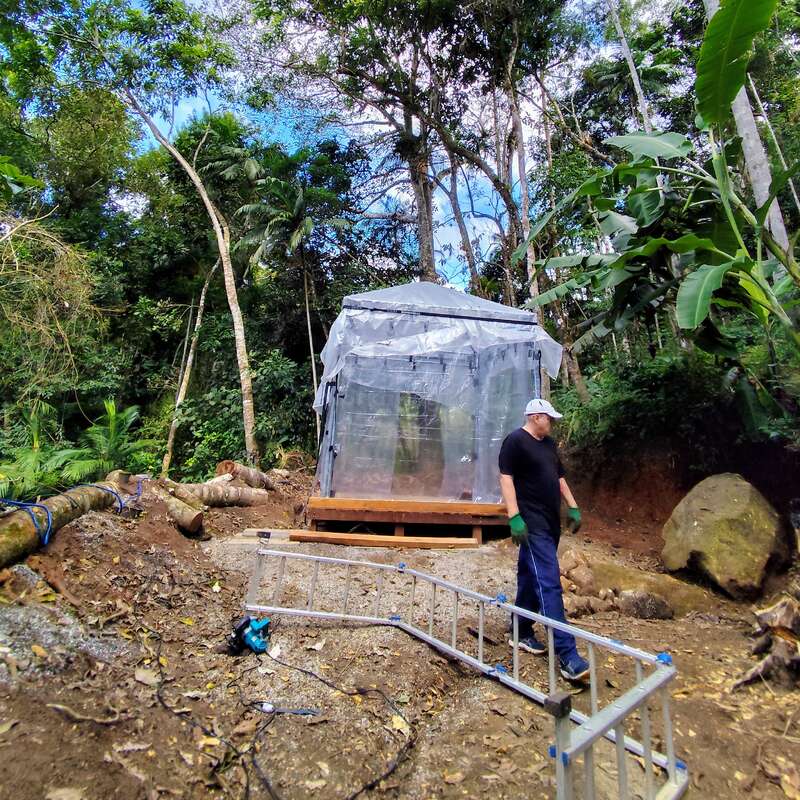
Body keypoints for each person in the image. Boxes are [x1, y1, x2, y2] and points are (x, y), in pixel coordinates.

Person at [498, 398, 590, 682]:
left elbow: (559, 478)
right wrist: (514, 517)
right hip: (531, 522)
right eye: (549, 418)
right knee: (549, 582)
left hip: (551, 522)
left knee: (529, 575)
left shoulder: (549, 445)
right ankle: (567, 655)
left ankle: (521, 630)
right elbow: (506, 479)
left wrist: (572, 506)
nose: (552, 423)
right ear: (536, 416)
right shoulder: (514, 441)